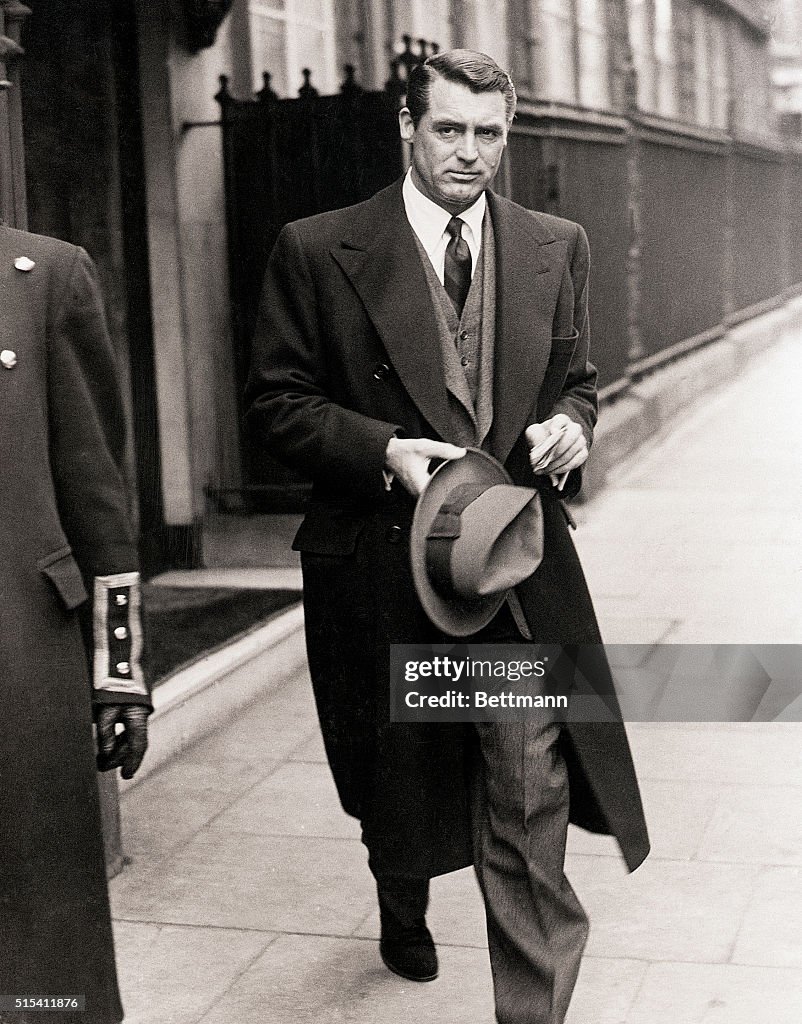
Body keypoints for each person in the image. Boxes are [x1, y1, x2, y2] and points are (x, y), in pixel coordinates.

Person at [246, 49, 649, 1024]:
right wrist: (384, 450)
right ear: (407, 128)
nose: (470, 153)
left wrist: (574, 425)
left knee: (525, 788)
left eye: (490, 133)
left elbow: (578, 381)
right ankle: (400, 891)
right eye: (449, 129)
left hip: (509, 572)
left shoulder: (557, 245)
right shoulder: (318, 249)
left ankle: (532, 1010)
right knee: (398, 788)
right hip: (382, 566)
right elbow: (275, 404)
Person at [0, 223, 151, 1024]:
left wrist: (118, 671)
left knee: (41, 958)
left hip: (21, 649)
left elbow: (95, 491)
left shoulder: (44, 277)